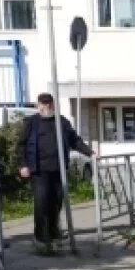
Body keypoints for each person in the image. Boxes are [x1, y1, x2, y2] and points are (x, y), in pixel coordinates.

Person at [17, 93, 93, 253]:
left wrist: (90, 153)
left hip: (58, 170)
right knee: (42, 202)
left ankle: (53, 232)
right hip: (39, 170)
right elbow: (22, 145)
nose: (46, 108)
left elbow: (74, 140)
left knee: (56, 202)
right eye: (43, 105)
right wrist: (24, 165)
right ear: (38, 106)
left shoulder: (61, 121)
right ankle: (41, 237)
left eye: (49, 105)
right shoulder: (32, 122)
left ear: (53, 105)